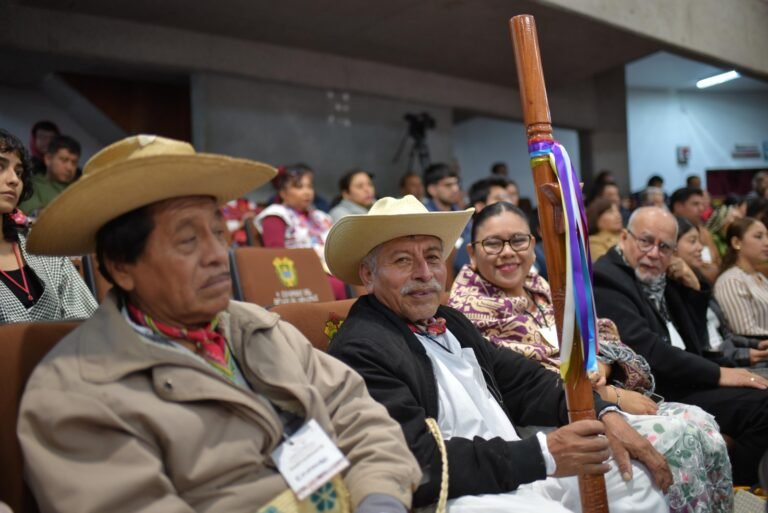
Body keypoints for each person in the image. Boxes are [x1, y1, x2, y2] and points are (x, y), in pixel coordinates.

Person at [18, 135, 421, 513]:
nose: (217, 255)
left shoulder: (258, 326)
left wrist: (380, 499)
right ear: (122, 266)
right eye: (188, 241)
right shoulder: (78, 391)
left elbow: (359, 415)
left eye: (218, 231)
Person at [326, 195, 672, 513]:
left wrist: (603, 412)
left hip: (519, 469)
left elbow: (527, 382)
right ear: (368, 274)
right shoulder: (362, 347)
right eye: (403, 260)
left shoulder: (451, 321)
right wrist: (543, 454)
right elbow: (412, 457)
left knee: (632, 480)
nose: (425, 273)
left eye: (432, 257)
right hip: (456, 494)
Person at [448, 202, 733, 512]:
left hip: (598, 396)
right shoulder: (469, 309)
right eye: (493, 243)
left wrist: (603, 367)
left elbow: (603, 333)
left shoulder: (538, 287)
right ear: (472, 253)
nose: (507, 252)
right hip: (549, 420)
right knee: (679, 437)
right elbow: (526, 379)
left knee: (702, 422)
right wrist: (607, 395)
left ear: (532, 244)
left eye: (518, 240)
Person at [592, 206, 768, 485]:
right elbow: (646, 348)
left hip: (687, 378)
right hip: (659, 389)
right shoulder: (607, 278)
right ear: (624, 237)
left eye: (664, 247)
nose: (654, 253)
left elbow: (695, 341)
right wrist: (720, 374)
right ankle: (735, 486)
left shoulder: (660, 278)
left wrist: (692, 285)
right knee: (763, 406)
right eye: (646, 241)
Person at [0, 129, 96, 324]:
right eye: (0, 167)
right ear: (48, 159)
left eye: (19, 172)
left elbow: (89, 321)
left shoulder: (42, 246)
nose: (14, 179)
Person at [675, 215, 768, 368]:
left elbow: (725, 335)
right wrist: (752, 351)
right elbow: (739, 331)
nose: (701, 247)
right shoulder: (731, 280)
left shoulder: (701, 281)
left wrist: (757, 345)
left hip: (733, 356)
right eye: (758, 237)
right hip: (724, 364)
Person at [255, 164, 346, 299]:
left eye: (309, 186)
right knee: (341, 286)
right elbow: (276, 256)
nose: (307, 192)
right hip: (301, 275)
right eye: (299, 187)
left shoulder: (321, 216)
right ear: (283, 193)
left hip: (333, 269)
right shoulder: (275, 215)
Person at [714, 217, 768, 338]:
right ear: (736, 243)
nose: (767, 242)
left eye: (767, 236)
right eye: (758, 237)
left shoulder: (758, 276)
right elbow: (744, 331)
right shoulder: (731, 281)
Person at [19, 134, 81, 215]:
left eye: (74, 162)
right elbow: (33, 215)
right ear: (48, 159)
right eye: (64, 160)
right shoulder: (32, 185)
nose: (69, 167)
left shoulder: (79, 188)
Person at [670, 187, 720, 284]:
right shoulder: (665, 231)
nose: (701, 209)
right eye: (695, 204)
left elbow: (715, 264)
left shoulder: (704, 232)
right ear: (678, 206)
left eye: (702, 204)